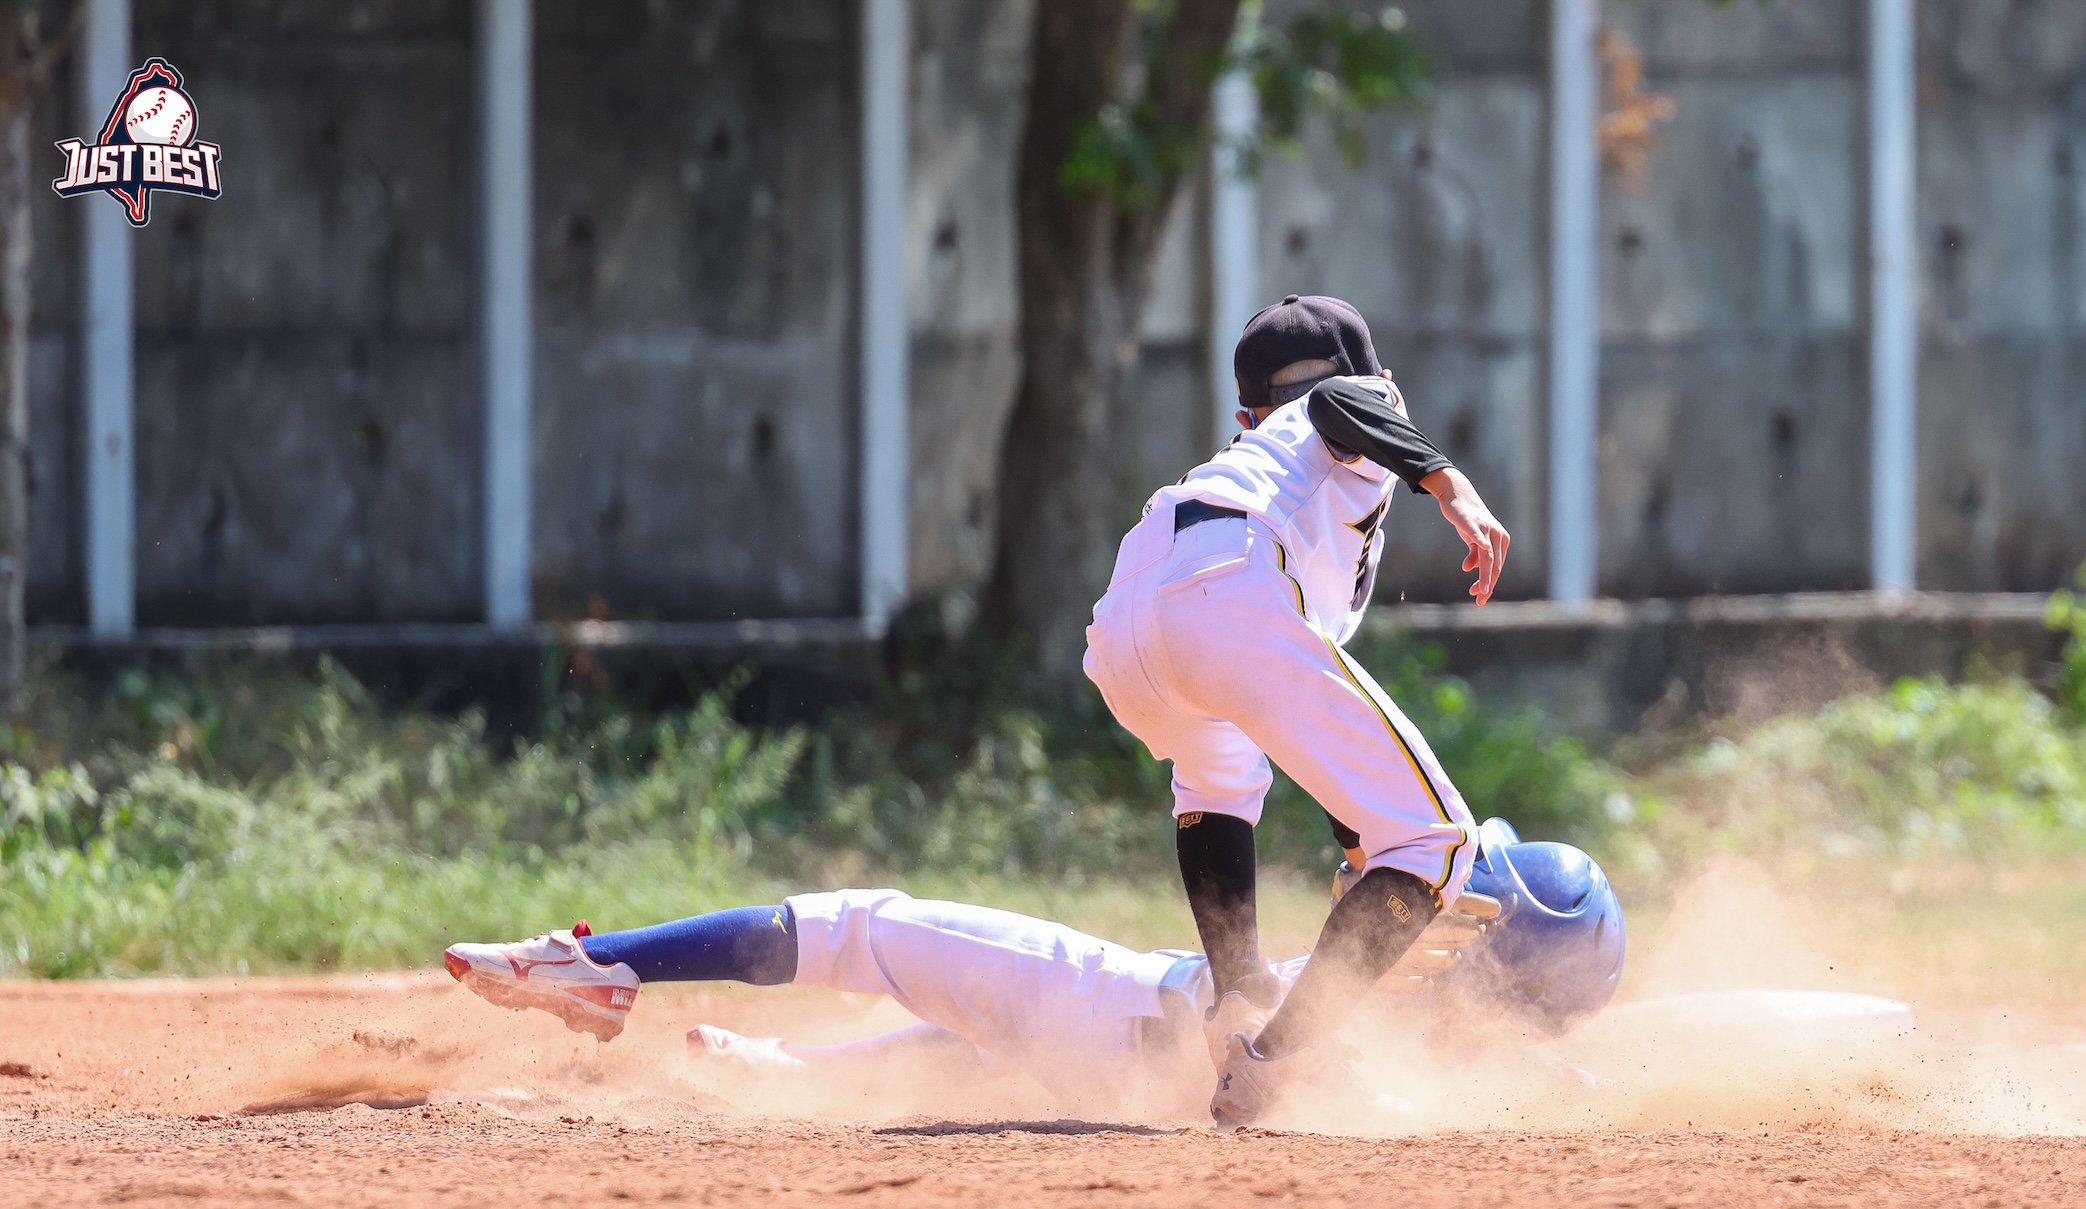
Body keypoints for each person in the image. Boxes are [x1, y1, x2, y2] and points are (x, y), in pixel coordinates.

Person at [443, 822, 1626, 1128]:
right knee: (972, 1048)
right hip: (1129, 1061)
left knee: (868, 925)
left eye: (1473, 908)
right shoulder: (1467, 1070)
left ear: (1489, 959)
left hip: (1116, 1006)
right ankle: (783, 1069)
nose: (1435, 905)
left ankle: (600, 966)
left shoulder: (1382, 1014)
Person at [1082, 293, 1513, 1127]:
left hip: (1130, 616)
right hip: (1227, 580)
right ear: (1384, 380)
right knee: (1438, 844)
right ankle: (1282, 1065)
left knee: (1217, 776)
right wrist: (1449, 483)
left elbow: (1305, 719)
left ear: (1246, 414)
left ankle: (1239, 1003)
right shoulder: (1350, 411)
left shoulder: (1259, 459)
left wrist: (1362, 859)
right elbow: (1340, 403)